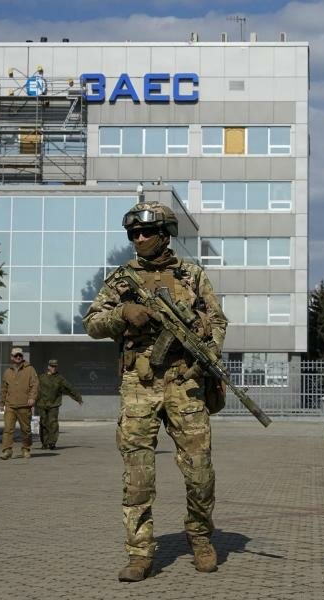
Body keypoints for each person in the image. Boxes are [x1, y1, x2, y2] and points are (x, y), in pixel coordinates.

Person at [83, 200, 228, 582]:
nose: (140, 238)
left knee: (200, 472)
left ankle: (199, 536)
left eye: (147, 232)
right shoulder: (121, 279)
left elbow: (217, 320)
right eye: (134, 233)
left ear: (165, 234)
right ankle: (140, 554)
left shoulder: (192, 275)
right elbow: (93, 323)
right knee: (138, 475)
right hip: (139, 385)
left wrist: (205, 353)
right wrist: (122, 315)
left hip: (185, 382)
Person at [0, 347, 39, 460]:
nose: (18, 357)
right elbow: (3, 389)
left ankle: (26, 449)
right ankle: (7, 450)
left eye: (20, 355)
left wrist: (32, 398)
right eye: (16, 356)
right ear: (12, 357)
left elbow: (35, 385)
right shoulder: (7, 372)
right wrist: (2, 403)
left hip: (24, 405)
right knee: (8, 429)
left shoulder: (30, 369)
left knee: (26, 430)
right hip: (10, 405)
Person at [36, 359, 83, 450]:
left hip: (54, 404)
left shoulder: (59, 378)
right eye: (52, 366)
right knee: (43, 423)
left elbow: (69, 388)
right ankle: (44, 443)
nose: (54, 368)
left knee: (53, 423)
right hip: (42, 404)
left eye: (55, 366)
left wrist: (78, 398)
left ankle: (52, 442)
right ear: (48, 367)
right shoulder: (41, 377)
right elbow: (34, 388)